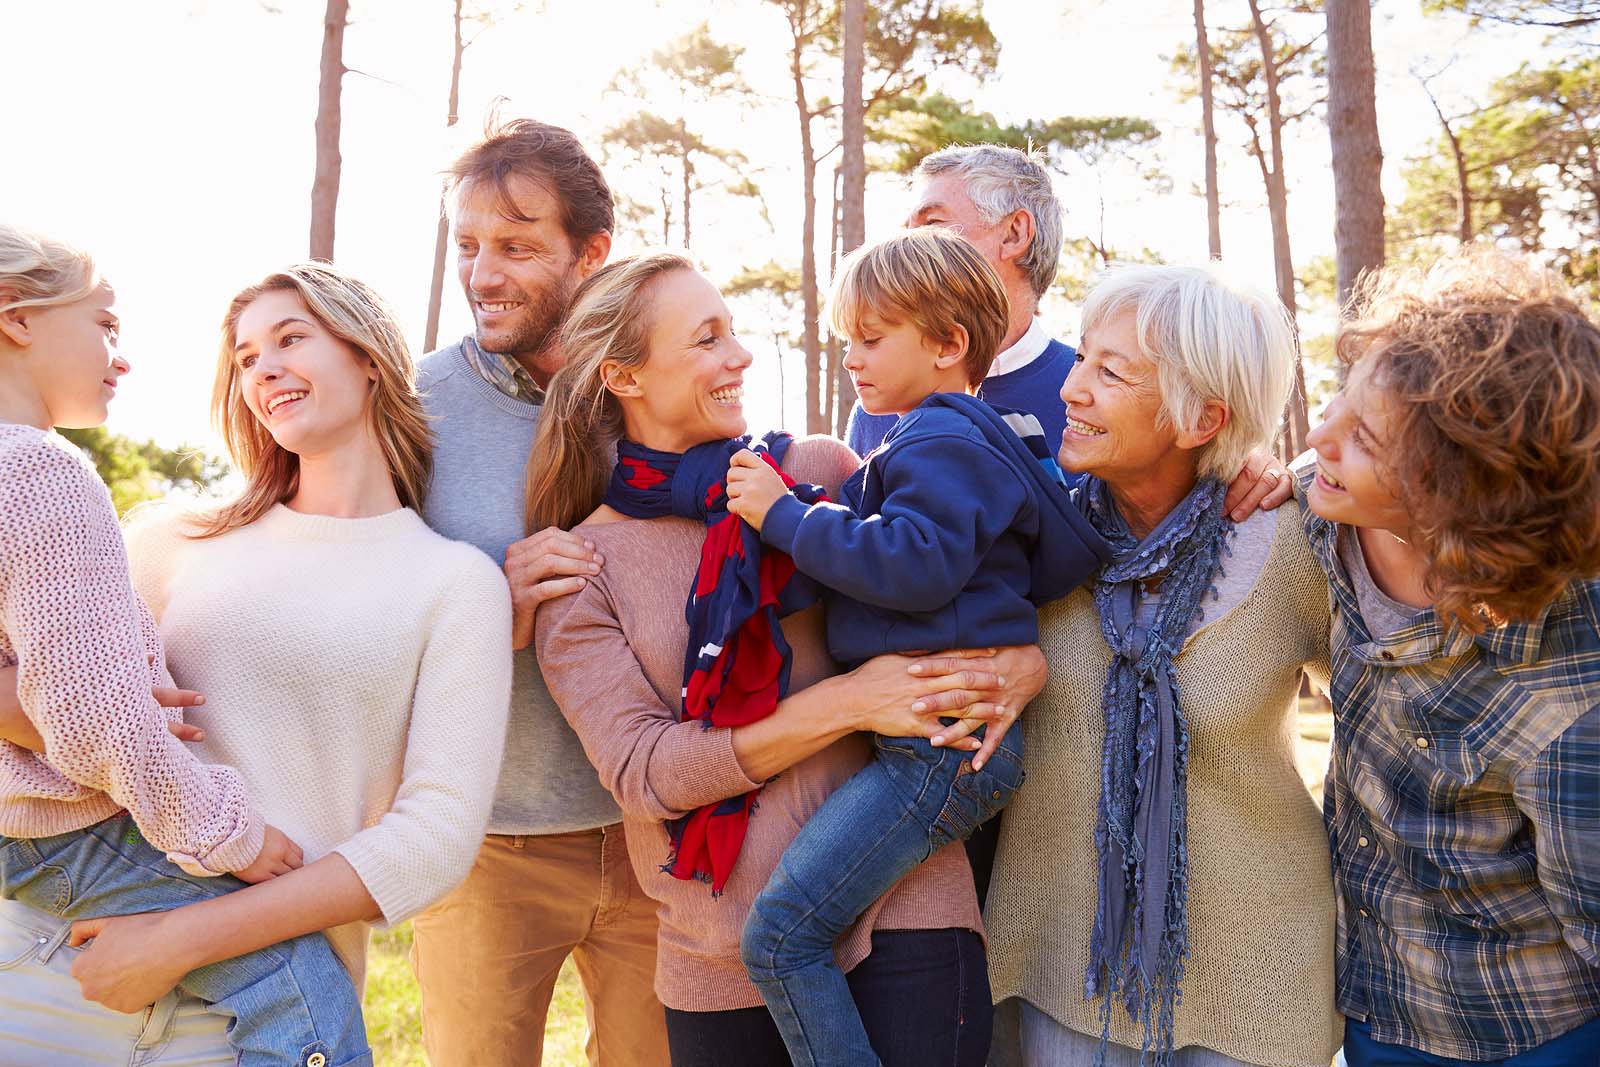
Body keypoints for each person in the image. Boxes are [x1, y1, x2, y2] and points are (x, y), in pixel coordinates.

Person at [532, 250, 1047, 1066]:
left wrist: (1027, 665)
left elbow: (964, 575)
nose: (739, 355)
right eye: (707, 338)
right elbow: (647, 773)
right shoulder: (582, 566)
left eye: (733, 331)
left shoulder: (818, 475)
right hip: (720, 953)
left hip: (909, 915)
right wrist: (848, 704)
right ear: (624, 376)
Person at [0, 261, 512, 1064]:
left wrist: (181, 937)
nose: (262, 366)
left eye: (289, 338)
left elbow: (435, 837)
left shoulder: (456, 583)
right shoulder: (171, 540)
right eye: (244, 357)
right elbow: (64, 690)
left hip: (256, 1011)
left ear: (368, 356)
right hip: (59, 964)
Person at [842, 147, 1294, 903]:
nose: (908, 243)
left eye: (932, 224)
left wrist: (1254, 464)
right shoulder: (880, 401)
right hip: (918, 760)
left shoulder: (1093, 385)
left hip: (1051, 826)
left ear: (1014, 234)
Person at [722, 228, 1111, 1067]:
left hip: (932, 756)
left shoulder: (941, 440)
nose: (852, 358)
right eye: (847, 339)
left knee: (782, 936)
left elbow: (914, 563)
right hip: (931, 745)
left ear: (947, 344)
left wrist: (783, 515)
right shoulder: (971, 437)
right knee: (795, 931)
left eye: (872, 337)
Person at [0, 227, 369, 1066]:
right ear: (15, 318)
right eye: (105, 323)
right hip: (75, 826)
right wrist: (225, 831)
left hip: (24, 836)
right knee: (299, 983)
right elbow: (97, 723)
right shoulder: (42, 472)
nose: (120, 356)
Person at [984, 263, 1342, 1067]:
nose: (1072, 389)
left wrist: (1307, 478)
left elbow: (1390, 711)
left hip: (1259, 981)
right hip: (1060, 973)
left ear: (1202, 416)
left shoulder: (1288, 543)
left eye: (1110, 373)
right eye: (1082, 358)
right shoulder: (1032, 541)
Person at [411, 118, 671, 1067]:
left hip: (658, 843)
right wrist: (492, 601)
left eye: (516, 248)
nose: (483, 274)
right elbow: (366, 612)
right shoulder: (412, 405)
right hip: (487, 844)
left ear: (591, 252)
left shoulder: (652, 390)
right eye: (469, 246)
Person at [1300, 251, 1600, 1067]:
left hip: (1527, 1032)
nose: (1318, 434)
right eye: (1341, 395)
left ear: (1457, 491)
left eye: (1361, 436)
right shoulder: (1316, 511)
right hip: (1377, 1005)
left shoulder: (1572, 678)